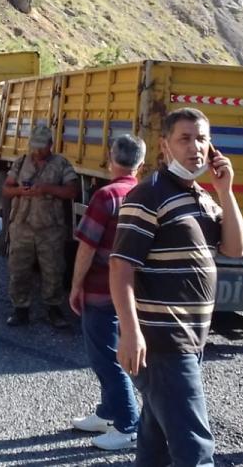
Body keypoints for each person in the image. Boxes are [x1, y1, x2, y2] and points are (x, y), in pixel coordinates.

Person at [109, 108, 243, 467]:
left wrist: (226, 190)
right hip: (161, 344)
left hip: (188, 339)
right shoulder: (148, 195)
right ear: (165, 145)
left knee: (156, 445)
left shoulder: (201, 196)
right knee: (194, 449)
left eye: (202, 138)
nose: (195, 147)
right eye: (185, 139)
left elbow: (234, 247)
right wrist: (130, 332)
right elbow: (121, 266)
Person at [69, 134, 147, 452]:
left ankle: (129, 426)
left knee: (106, 360)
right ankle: (107, 413)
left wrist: (75, 285)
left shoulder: (106, 196)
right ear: (141, 164)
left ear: (110, 157)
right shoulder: (143, 195)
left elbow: (87, 247)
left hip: (101, 292)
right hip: (131, 293)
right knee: (110, 355)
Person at [3, 123, 80, 329]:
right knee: (18, 269)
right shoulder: (20, 163)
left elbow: (72, 191)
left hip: (50, 228)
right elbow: (6, 189)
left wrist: (47, 188)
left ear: (51, 145)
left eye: (42, 147)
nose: (37, 151)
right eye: (34, 146)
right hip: (22, 226)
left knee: (53, 270)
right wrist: (20, 191)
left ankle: (53, 309)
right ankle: (20, 309)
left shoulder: (61, 164)